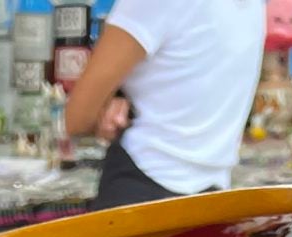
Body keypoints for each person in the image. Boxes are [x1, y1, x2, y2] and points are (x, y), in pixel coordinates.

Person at [63, 0, 268, 211]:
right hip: (213, 193)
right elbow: (184, 76)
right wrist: (117, 96)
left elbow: (76, 118)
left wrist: (106, 103)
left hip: (144, 187)